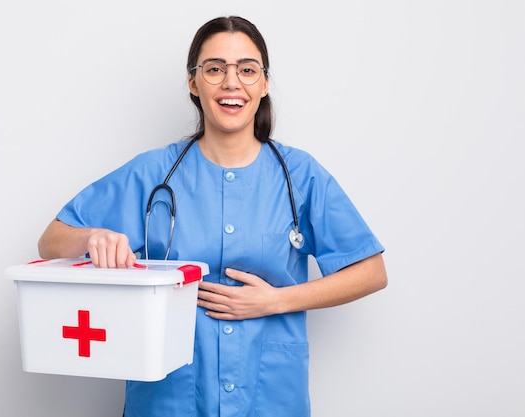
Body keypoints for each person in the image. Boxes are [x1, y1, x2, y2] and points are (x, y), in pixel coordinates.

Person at [38, 15, 387, 417]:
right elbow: (51, 240)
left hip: (270, 398)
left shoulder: (300, 175)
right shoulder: (153, 173)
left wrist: (274, 301)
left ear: (264, 84)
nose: (231, 83)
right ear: (193, 82)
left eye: (247, 70)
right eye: (215, 69)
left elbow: (371, 270)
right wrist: (91, 238)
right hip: (170, 397)